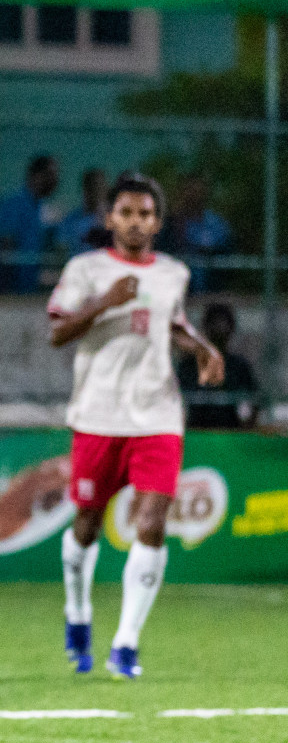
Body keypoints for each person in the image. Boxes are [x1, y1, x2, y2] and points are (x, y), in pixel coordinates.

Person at [47, 171, 224, 680]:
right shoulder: (85, 269)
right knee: (88, 525)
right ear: (109, 219)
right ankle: (78, 612)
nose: (135, 221)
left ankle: (125, 643)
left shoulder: (172, 273)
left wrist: (202, 348)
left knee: (151, 524)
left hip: (158, 415)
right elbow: (58, 331)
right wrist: (105, 302)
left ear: (158, 222)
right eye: (125, 212)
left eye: (145, 214)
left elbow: (174, 324)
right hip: (98, 415)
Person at [0, 155, 59, 294]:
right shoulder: (14, 204)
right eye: (50, 175)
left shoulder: (40, 208)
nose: (55, 181)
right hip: (6, 291)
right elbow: (5, 247)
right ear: (36, 176)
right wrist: (4, 291)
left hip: (27, 289)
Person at [177, 302, 257, 428]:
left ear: (232, 328)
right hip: (195, 434)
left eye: (224, 324)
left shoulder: (240, 368)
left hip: (232, 435)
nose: (220, 329)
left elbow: (252, 405)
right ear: (206, 327)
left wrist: (246, 431)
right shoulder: (188, 366)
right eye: (215, 324)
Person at [165, 175, 232, 292]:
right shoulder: (172, 224)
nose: (194, 196)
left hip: (210, 286)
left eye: (198, 192)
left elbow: (225, 251)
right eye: (189, 192)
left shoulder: (215, 223)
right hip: (179, 286)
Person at [56, 168, 109, 254]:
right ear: (84, 189)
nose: (96, 192)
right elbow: (61, 249)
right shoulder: (70, 220)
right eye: (92, 187)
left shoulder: (113, 220)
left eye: (99, 187)